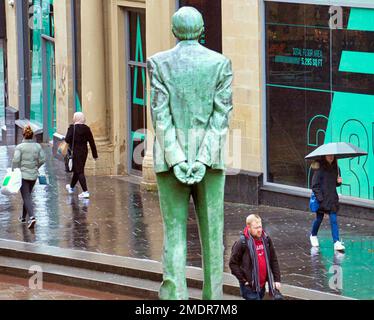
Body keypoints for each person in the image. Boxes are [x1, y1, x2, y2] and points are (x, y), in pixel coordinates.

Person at [147, 7, 233, 300]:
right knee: (213, 237)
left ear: (174, 31)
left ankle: (175, 297)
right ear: (201, 30)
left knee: (174, 236)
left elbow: (160, 117)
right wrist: (203, 159)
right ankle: (214, 298)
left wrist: (178, 159)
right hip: (210, 161)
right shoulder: (220, 64)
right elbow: (221, 117)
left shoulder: (158, 63)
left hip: (171, 161)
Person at [229, 214, 281, 300]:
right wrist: (243, 279)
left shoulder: (266, 240)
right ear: (248, 228)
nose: (259, 230)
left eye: (260, 227)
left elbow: (273, 260)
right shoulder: (242, 243)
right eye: (256, 228)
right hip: (249, 286)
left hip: (261, 285)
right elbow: (233, 263)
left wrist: (277, 279)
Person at [12, 125, 46, 229]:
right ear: (33, 136)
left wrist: (14, 170)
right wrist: (36, 167)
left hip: (23, 175)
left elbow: (16, 160)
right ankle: (23, 217)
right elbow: (42, 159)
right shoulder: (37, 146)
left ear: (23, 135)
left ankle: (32, 217)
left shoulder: (20, 147)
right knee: (27, 196)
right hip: (33, 175)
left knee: (26, 196)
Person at [310, 155, 345, 251]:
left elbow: (334, 183)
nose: (330, 157)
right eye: (328, 155)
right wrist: (321, 200)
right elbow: (315, 186)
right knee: (319, 219)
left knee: (333, 220)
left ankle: (336, 242)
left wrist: (339, 182)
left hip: (332, 198)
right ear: (324, 156)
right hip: (321, 199)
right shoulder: (319, 169)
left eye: (332, 155)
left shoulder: (336, 168)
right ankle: (313, 235)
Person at [64, 112, 98, 199]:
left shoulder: (72, 128)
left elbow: (67, 139)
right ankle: (71, 187)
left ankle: (85, 191)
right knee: (77, 169)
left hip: (74, 152)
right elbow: (91, 142)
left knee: (79, 171)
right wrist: (95, 154)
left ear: (75, 118)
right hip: (83, 152)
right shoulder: (87, 129)